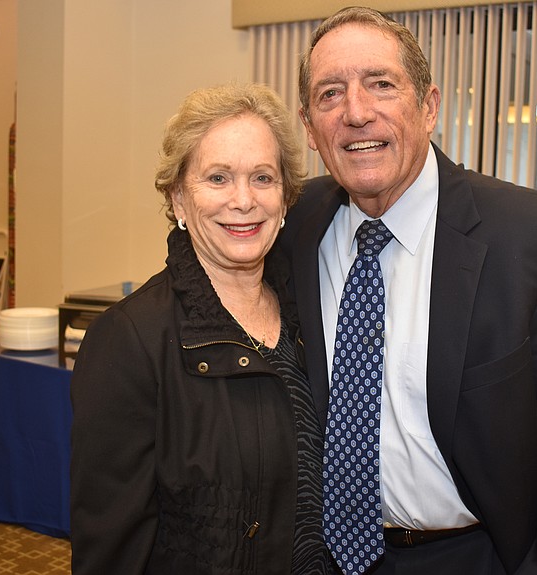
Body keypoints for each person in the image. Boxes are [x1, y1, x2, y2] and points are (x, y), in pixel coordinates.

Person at [278, 7, 537, 574]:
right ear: (310, 127)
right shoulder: (293, 227)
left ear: (430, 106)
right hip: (321, 557)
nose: (356, 113)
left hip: (473, 556)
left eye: (381, 85)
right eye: (330, 94)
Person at [70, 83, 334, 574]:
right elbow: (111, 550)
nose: (243, 200)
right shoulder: (129, 340)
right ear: (178, 198)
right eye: (217, 178)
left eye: (262, 177)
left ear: (286, 197)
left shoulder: (313, 315)